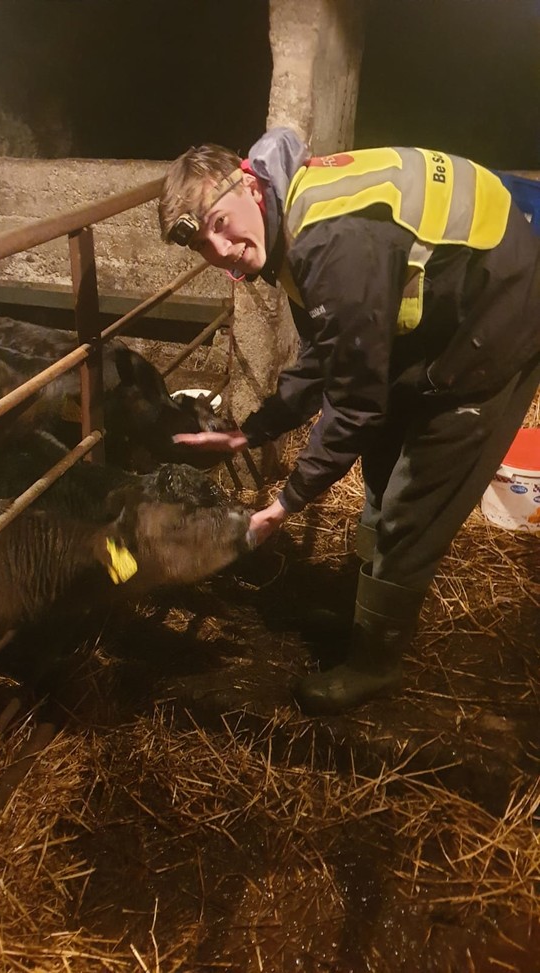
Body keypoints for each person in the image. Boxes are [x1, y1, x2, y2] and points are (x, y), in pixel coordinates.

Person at [158, 128, 540, 716]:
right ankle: (360, 602)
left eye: (219, 221)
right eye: (203, 244)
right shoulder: (289, 219)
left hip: (499, 313)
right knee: (382, 464)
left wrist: (288, 501)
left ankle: (375, 662)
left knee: (417, 495)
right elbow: (328, 351)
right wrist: (254, 430)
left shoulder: (327, 241)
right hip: (445, 307)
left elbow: (355, 399)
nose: (221, 247)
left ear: (246, 182)